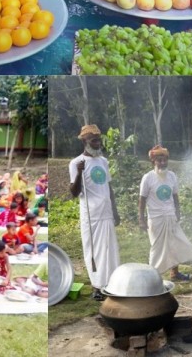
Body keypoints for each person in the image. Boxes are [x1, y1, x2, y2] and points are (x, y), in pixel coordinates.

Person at [69, 124, 120, 301]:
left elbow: (109, 187)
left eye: (99, 140)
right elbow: (74, 193)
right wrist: (79, 174)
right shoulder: (76, 163)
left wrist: (115, 211)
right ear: (85, 141)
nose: (98, 143)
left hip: (106, 212)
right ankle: (96, 286)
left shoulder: (103, 162)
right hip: (91, 215)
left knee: (110, 249)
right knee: (93, 251)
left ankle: (112, 282)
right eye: (94, 140)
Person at [138, 146, 192, 281]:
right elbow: (142, 200)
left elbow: (175, 196)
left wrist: (178, 212)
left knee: (174, 245)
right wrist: (141, 219)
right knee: (157, 248)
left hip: (170, 216)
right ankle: (152, 277)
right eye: (159, 160)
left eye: (165, 160)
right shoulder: (148, 178)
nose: (163, 163)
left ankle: (174, 273)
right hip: (156, 218)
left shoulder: (172, 176)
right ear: (153, 162)